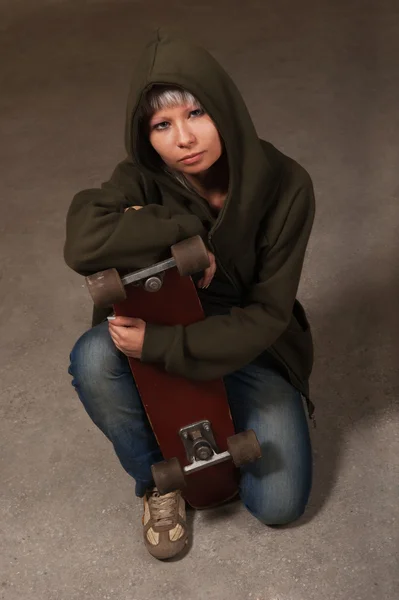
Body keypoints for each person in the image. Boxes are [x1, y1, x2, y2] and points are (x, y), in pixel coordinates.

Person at [65, 29, 315, 561]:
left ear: (225, 108)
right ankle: (158, 481)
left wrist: (163, 346)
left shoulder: (287, 184)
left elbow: (268, 314)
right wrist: (179, 225)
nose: (184, 139)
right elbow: (83, 241)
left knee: (278, 503)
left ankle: (227, 414)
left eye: (197, 113)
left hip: (246, 345)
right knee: (91, 357)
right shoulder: (141, 178)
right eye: (162, 124)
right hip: (160, 324)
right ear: (147, 135)